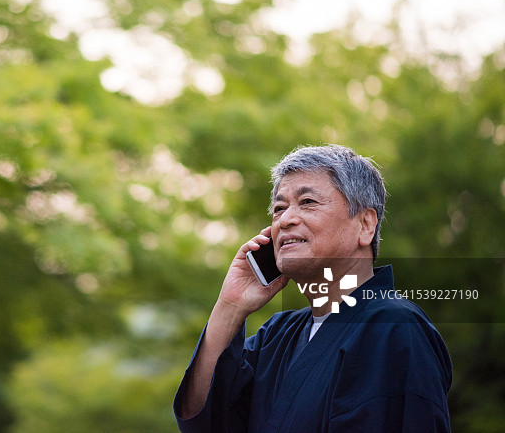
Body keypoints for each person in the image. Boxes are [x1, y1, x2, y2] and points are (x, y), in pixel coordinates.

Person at [173, 144, 452, 432]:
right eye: (279, 208)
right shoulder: (278, 335)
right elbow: (206, 421)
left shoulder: (392, 326)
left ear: (365, 225)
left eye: (307, 202)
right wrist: (230, 305)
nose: (285, 219)